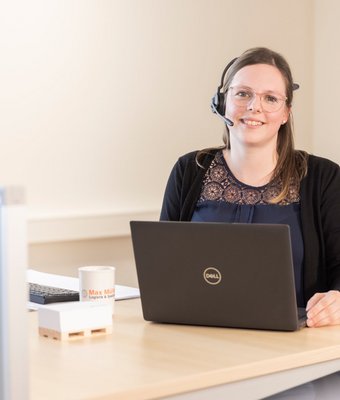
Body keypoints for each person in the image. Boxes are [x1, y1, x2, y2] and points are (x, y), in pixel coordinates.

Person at [160, 47, 340, 328]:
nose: (254, 107)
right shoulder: (189, 171)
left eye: (270, 98)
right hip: (200, 336)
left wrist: (338, 299)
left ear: (285, 114)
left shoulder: (323, 177)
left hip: (295, 343)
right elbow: (162, 268)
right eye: (243, 94)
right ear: (222, 102)